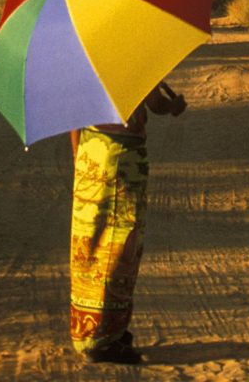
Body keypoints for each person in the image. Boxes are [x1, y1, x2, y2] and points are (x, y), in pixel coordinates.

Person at [67, 80, 187, 364]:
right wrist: (173, 106)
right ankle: (105, 340)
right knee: (120, 248)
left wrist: (80, 159)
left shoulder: (82, 59)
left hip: (90, 155)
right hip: (123, 159)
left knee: (90, 244)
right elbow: (155, 103)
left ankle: (90, 332)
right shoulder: (134, 50)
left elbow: (73, 117)